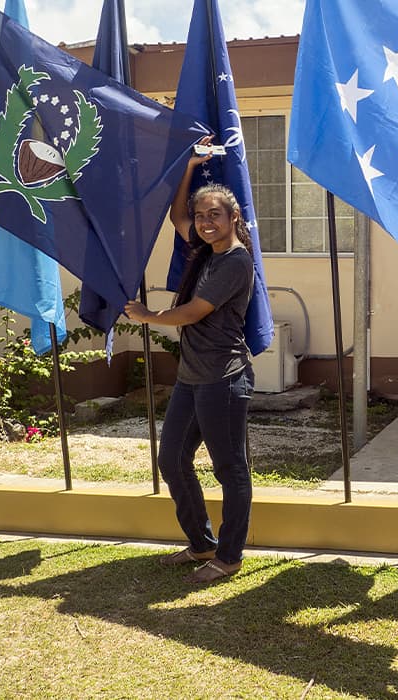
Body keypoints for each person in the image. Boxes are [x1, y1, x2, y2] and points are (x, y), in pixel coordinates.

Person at [124, 136, 255, 585]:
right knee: (172, 459)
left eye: (214, 215)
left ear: (233, 218)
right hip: (192, 377)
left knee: (229, 468)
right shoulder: (204, 251)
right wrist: (188, 167)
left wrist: (147, 316)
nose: (204, 222)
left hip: (223, 379)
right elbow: (177, 215)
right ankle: (201, 544)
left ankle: (230, 555)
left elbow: (195, 311)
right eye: (202, 216)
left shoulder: (236, 262)